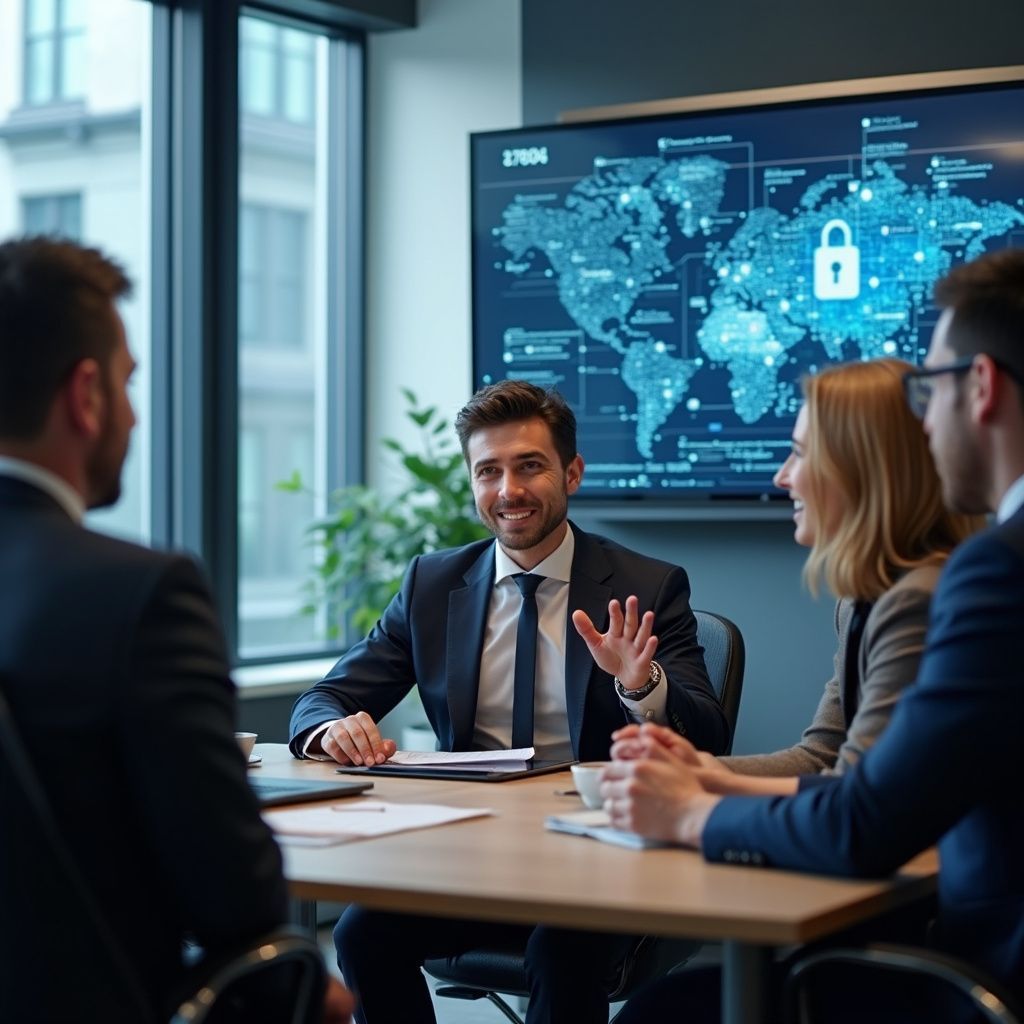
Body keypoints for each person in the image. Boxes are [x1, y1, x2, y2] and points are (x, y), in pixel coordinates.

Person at [604, 247, 1024, 1021]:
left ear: (984, 386)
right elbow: (838, 762)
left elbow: (863, 815)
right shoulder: (891, 593)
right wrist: (700, 772)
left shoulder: (977, 580)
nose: (781, 478)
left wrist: (690, 810)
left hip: (979, 977)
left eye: (930, 389)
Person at [289, 378, 729, 1024]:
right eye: (488, 471)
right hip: (471, 856)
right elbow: (325, 698)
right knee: (360, 933)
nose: (508, 491)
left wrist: (642, 685)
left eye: (529, 467)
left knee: (562, 947)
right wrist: (330, 729)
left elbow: (710, 735)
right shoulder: (432, 586)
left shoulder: (646, 586)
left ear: (572, 472)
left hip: (598, 856)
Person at [0, 237, 353, 1023]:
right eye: (128, 384)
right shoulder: (136, 590)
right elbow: (238, 893)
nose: (132, 412)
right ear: (84, 396)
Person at [625, 358, 978, 803]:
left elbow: (855, 797)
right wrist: (694, 768)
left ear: (863, 471)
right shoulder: (861, 599)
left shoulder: (918, 602)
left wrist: (699, 801)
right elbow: (820, 757)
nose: (782, 477)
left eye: (801, 453)